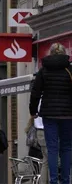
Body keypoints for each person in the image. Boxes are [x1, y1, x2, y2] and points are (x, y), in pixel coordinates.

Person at [29, 43, 72, 184]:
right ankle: (65, 180)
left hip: (49, 114)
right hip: (67, 114)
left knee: (52, 148)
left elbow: (36, 92)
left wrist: (33, 110)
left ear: (51, 53)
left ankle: (53, 180)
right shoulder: (69, 69)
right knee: (66, 147)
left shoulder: (44, 70)